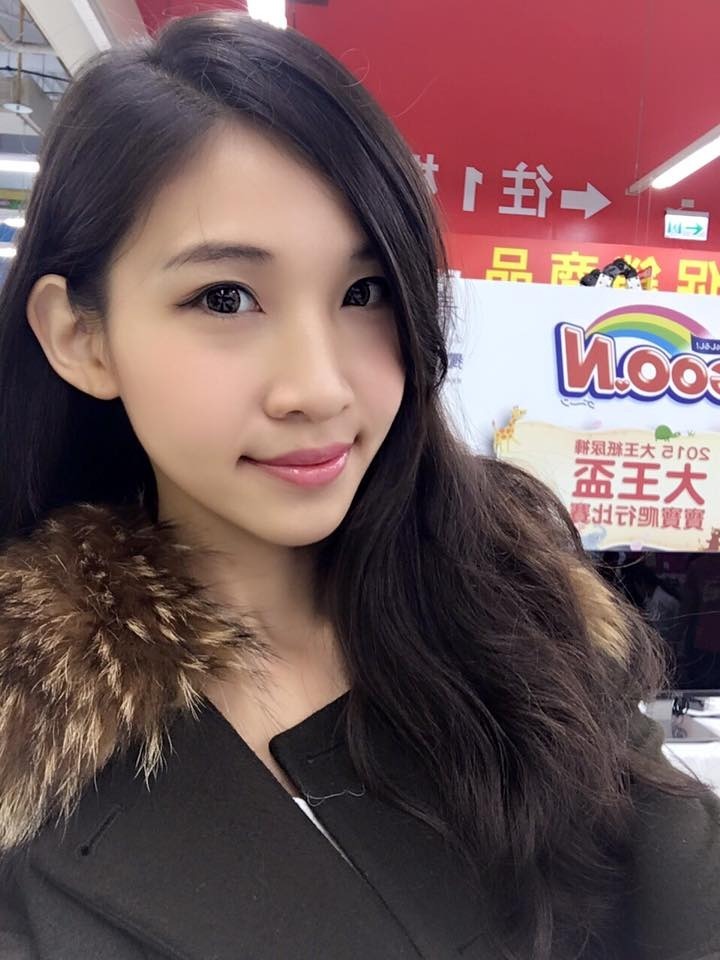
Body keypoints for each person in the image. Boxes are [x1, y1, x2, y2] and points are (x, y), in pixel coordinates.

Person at [0, 13, 718, 960]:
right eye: (225, 297)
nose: (321, 387)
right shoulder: (33, 758)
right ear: (81, 338)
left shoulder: (515, 601)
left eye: (365, 292)